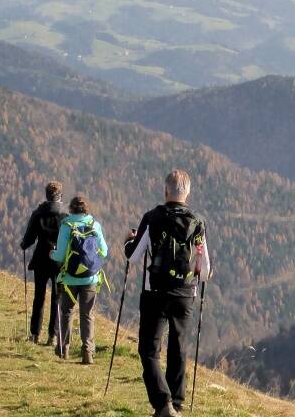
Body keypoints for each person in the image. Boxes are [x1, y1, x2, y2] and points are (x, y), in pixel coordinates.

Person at [124, 170, 211, 417]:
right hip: (185, 294)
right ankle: (178, 404)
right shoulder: (198, 222)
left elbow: (133, 256)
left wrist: (127, 241)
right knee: (178, 348)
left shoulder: (152, 218)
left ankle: (163, 404)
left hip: (156, 292)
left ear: (166, 192)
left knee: (149, 351)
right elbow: (205, 270)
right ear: (188, 193)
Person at [50, 194, 108, 364]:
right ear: (86, 209)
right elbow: (104, 251)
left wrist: (52, 254)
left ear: (71, 209)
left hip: (70, 279)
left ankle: (63, 349)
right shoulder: (94, 225)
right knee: (87, 314)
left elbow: (60, 255)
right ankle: (87, 352)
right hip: (90, 278)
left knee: (67, 312)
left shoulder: (66, 226)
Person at [20, 181, 67, 345]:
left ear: (47, 195)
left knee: (38, 297)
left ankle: (35, 334)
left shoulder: (38, 213)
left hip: (41, 259)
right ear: (60, 195)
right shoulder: (65, 216)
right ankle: (52, 336)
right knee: (57, 298)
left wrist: (23, 244)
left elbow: (29, 238)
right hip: (59, 261)